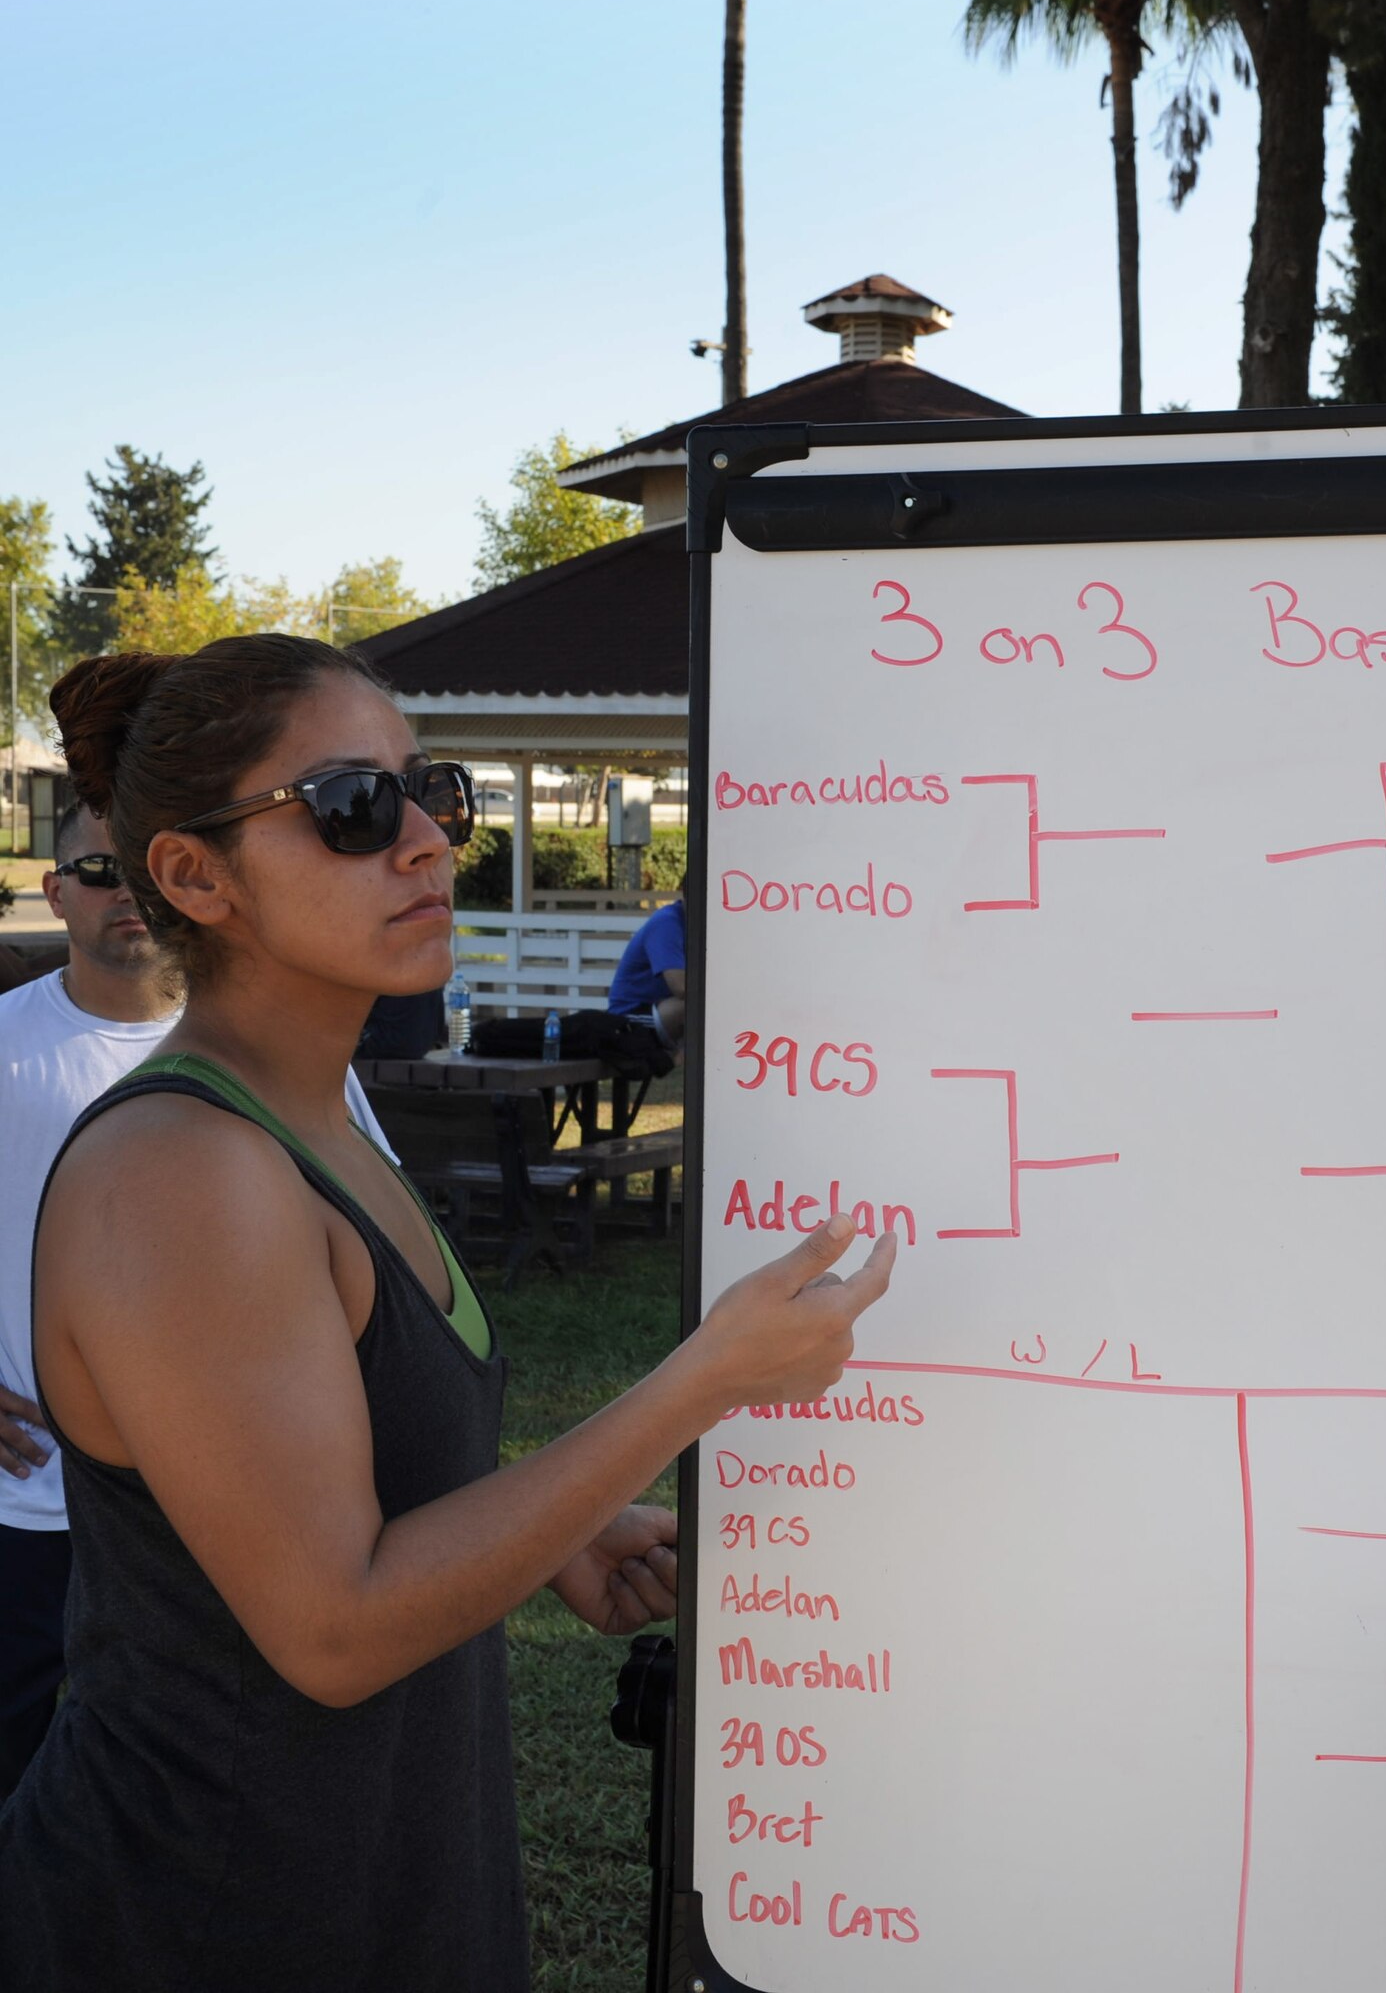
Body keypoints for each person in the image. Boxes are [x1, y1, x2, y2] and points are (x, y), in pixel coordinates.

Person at [0, 637, 893, 1991]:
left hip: (369, 1879)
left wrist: (547, 1536)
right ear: (193, 875)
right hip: (206, 1913)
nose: (425, 843)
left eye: (438, 795)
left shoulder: (321, 1115)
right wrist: (702, 1381)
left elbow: (321, 1481)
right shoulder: (182, 1170)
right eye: (354, 807)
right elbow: (334, 1627)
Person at [0, 801, 401, 1805]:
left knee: (178, 1789)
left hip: (211, 1513)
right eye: (96, 870)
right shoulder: (7, 1044)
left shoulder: (269, 1054)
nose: (123, 892)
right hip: (25, 1500)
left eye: (140, 869)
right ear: (54, 893)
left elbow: (378, 1233)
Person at [606, 871, 686, 1046]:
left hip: (660, 1007)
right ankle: (681, 1058)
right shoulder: (666, 923)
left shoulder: (699, 924)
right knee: (701, 1004)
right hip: (630, 1015)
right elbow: (681, 987)